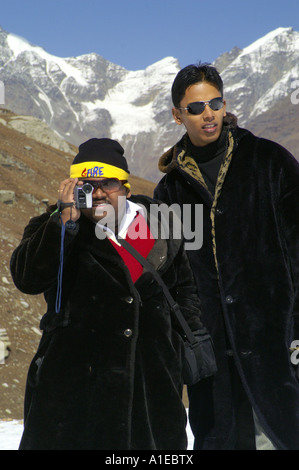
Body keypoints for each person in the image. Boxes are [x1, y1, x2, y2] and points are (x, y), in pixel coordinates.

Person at [10, 137, 206, 450]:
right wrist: (62, 224)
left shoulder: (163, 228)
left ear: (125, 187)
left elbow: (186, 291)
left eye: (108, 183)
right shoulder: (54, 225)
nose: (98, 193)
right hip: (73, 395)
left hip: (152, 389)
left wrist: (178, 349)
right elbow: (27, 278)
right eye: (87, 184)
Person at [154, 63, 299, 450]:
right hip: (210, 359)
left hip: (276, 346)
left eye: (215, 103)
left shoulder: (269, 162)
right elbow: (167, 277)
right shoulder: (170, 190)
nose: (208, 114)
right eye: (196, 107)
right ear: (177, 114)